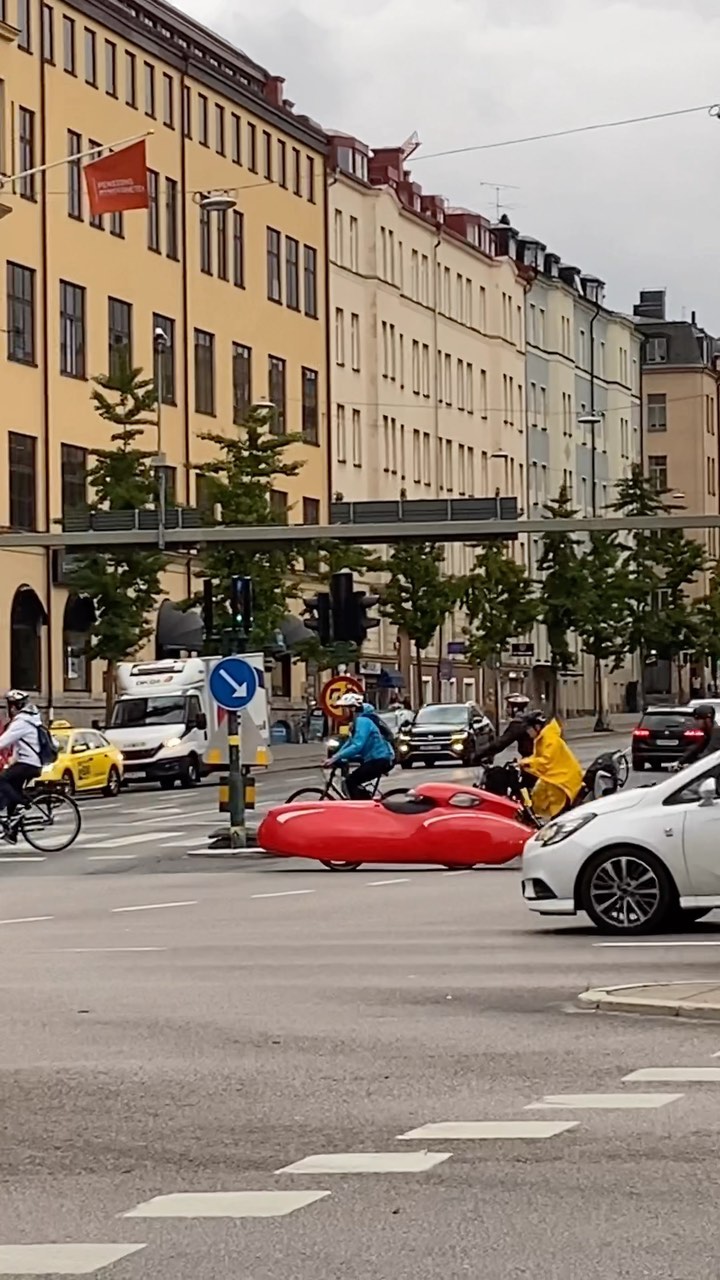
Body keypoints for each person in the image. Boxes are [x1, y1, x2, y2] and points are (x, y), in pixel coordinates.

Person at [324, 692, 395, 799]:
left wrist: (336, 757)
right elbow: (350, 742)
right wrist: (336, 756)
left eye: (344, 709)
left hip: (379, 759)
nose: (343, 712)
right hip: (376, 759)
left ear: (352, 709)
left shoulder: (363, 721)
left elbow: (357, 745)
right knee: (351, 782)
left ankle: (365, 806)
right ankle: (364, 801)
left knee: (351, 781)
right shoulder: (358, 721)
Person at [519, 718, 584, 820]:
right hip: (554, 777)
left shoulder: (549, 739)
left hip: (562, 780)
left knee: (557, 809)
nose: (527, 732)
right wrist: (525, 762)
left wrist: (525, 763)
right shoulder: (542, 738)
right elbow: (538, 757)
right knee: (537, 795)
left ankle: (555, 822)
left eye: (528, 729)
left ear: (537, 727)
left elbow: (546, 761)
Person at [0, 690, 44, 839]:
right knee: (13, 789)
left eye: (9, 706)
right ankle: (12, 832)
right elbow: (19, 745)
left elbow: (3, 741)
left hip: (28, 764)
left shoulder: (21, 722)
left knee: (2, 780)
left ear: (13, 707)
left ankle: (23, 803)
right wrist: (13, 758)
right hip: (30, 762)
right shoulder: (31, 719)